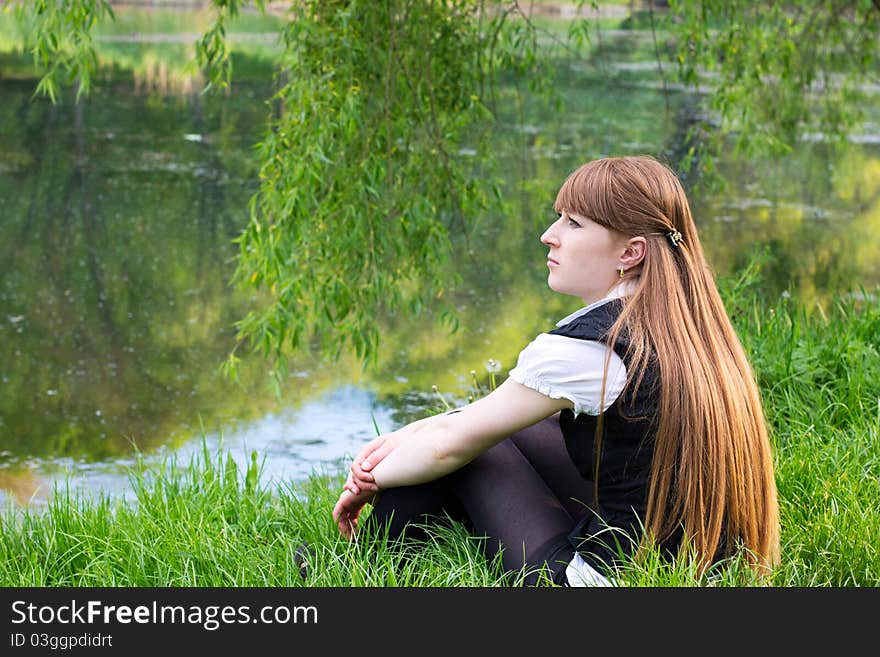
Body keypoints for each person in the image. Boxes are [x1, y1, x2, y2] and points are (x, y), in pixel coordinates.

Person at [331, 155, 780, 586]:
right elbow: (492, 415)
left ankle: (362, 566)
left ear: (631, 251)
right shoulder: (683, 321)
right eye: (560, 217)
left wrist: (368, 481)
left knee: (470, 454)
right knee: (497, 429)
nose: (550, 235)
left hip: (603, 580)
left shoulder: (587, 352)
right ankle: (389, 549)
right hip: (695, 562)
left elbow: (450, 447)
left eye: (574, 223)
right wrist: (401, 439)